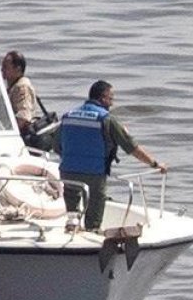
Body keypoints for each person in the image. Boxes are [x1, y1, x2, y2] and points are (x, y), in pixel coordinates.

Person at [57, 80, 166, 232]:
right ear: (103, 98)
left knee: (72, 199)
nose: (112, 103)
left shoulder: (68, 116)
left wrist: (72, 157)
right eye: (111, 99)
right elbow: (132, 147)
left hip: (67, 171)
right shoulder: (106, 119)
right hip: (94, 173)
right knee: (95, 207)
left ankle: (72, 223)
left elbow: (56, 145)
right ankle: (92, 234)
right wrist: (154, 163)